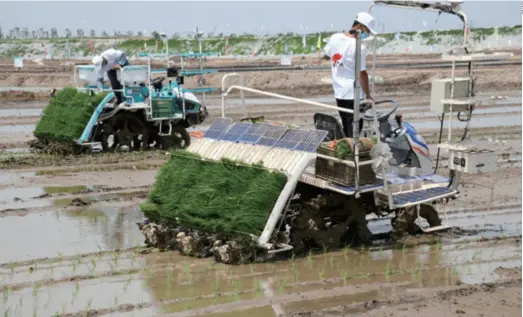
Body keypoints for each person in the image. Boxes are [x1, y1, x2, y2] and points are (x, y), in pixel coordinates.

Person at [322, 12, 378, 138]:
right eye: (366, 31)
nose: (366, 35)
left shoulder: (335, 38)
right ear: (359, 27)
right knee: (355, 129)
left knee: (346, 123)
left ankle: (349, 149)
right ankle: (354, 154)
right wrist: (368, 95)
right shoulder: (359, 47)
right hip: (353, 94)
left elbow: (327, 55)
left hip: (339, 92)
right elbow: (362, 73)